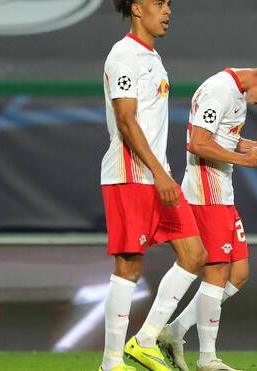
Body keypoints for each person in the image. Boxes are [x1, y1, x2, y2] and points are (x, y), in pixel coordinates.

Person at [156, 62, 257, 371]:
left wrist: (251, 145)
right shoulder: (219, 90)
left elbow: (218, 138)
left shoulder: (236, 92)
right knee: (217, 271)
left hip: (223, 191)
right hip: (205, 191)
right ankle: (207, 359)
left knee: (239, 274)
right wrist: (243, 160)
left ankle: (174, 331)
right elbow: (197, 143)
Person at [99, 1, 207, 370]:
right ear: (136, 8)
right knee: (129, 266)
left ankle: (145, 340)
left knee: (194, 255)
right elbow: (126, 121)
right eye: (159, 2)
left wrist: (163, 173)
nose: (167, 10)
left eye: (169, 4)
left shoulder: (153, 58)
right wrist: (160, 174)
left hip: (158, 175)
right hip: (130, 175)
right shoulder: (122, 55)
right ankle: (111, 362)